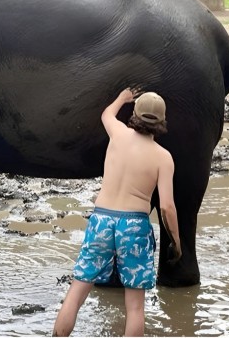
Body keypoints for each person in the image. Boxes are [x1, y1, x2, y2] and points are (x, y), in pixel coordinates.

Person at [53, 90, 181, 337]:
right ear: (162, 121)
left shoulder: (118, 133)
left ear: (134, 115)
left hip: (101, 220)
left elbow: (106, 114)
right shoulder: (163, 158)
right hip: (134, 227)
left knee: (76, 293)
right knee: (134, 307)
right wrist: (176, 240)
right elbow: (167, 206)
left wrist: (122, 97)